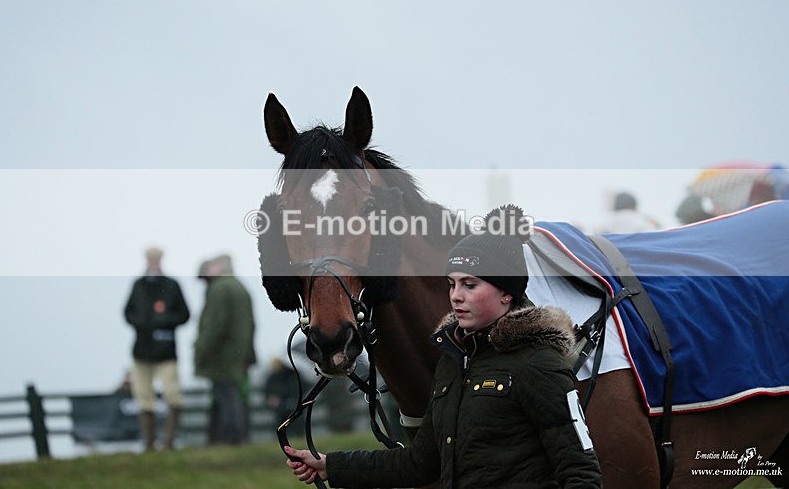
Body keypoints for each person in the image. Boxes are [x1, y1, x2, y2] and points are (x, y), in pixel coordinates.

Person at [285, 206, 602, 488]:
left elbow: (581, 473)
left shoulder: (539, 364)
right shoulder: (452, 365)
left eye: (470, 285)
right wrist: (333, 466)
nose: (456, 296)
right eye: (452, 284)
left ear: (507, 293)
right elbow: (417, 465)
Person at [124, 246, 190, 451]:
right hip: (141, 351)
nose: (153, 261)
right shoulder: (138, 285)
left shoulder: (171, 285)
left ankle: (168, 442)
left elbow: (184, 315)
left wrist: (163, 321)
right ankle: (148, 444)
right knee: (144, 398)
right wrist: (144, 324)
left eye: (156, 258)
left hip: (165, 353)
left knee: (173, 395)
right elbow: (128, 313)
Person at [194, 254, 256, 445]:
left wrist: (202, 350)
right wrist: (249, 354)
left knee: (226, 397)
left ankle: (228, 439)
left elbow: (214, 325)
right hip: (237, 352)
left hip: (222, 354)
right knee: (233, 396)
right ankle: (237, 437)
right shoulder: (240, 287)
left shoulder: (220, 288)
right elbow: (251, 324)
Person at [594, 191, 660, 234]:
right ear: (634, 206)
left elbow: (596, 235)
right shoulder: (646, 218)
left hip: (616, 253)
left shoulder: (608, 220)